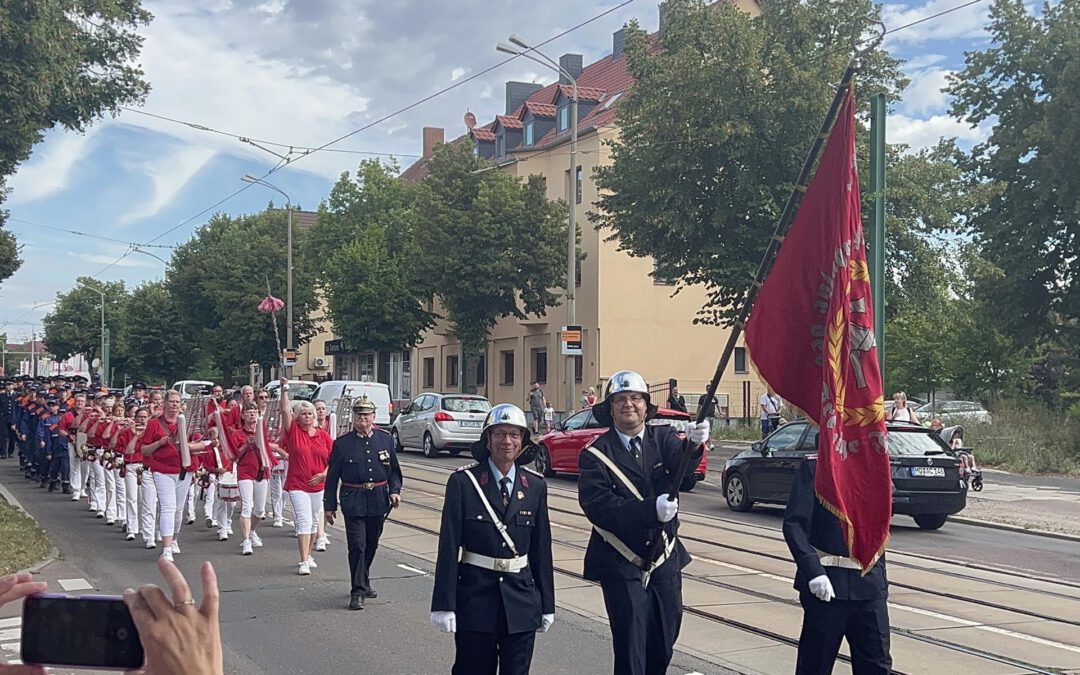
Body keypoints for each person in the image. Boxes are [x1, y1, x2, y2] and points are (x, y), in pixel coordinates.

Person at [578, 370, 708, 675]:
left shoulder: (663, 438)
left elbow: (683, 472)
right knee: (631, 644)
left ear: (646, 405)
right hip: (621, 559)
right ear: (610, 408)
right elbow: (599, 508)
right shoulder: (596, 454)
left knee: (664, 639)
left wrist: (694, 445)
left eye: (635, 398)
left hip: (664, 557)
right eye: (620, 399)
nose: (628, 405)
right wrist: (651, 510)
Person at [431, 403, 555, 675]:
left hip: (521, 599)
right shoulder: (464, 483)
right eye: (499, 434)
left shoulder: (535, 486)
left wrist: (547, 604)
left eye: (514, 434)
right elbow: (448, 546)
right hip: (475, 598)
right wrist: (443, 603)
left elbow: (541, 550)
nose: (506, 441)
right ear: (488, 440)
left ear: (523, 441)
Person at [782, 456, 892, 674]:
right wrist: (813, 571)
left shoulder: (877, 463)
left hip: (869, 585)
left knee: (877, 665)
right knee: (816, 663)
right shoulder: (815, 466)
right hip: (827, 586)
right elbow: (795, 524)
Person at [324, 395, 403, 610]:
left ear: (373, 417)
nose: (363, 419)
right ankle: (357, 591)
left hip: (378, 500)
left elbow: (394, 472)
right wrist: (328, 506)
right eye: (359, 415)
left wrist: (395, 491)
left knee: (371, 544)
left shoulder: (385, 439)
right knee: (357, 546)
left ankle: (364, 580)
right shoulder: (342, 444)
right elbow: (332, 478)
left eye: (366, 415)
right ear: (353, 418)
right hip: (354, 500)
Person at [140, 390, 219, 562]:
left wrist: (190, 446)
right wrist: (158, 443)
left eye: (177, 402)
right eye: (172, 401)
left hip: (185, 470)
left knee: (178, 510)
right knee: (167, 507)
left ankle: (174, 538)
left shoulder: (188, 422)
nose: (175, 405)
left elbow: (200, 443)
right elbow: (144, 449)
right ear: (165, 403)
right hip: (162, 470)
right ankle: (166, 548)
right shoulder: (154, 424)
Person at [278, 378, 333, 576]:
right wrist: (284, 389)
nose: (307, 416)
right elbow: (285, 411)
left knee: (311, 521)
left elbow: (333, 460)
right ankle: (302, 560)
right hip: (297, 484)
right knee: (303, 520)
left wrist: (323, 474)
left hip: (318, 485)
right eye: (304, 414)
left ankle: (308, 555)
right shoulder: (293, 431)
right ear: (298, 417)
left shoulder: (324, 436)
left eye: (310, 413)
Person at [225, 401, 278, 556]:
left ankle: (252, 531)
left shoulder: (262, 431)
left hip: (262, 472)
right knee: (247, 506)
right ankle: (246, 540)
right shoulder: (238, 434)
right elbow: (234, 456)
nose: (252, 414)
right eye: (248, 412)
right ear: (242, 415)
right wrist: (246, 445)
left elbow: (269, 447)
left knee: (260, 510)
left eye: (254, 411)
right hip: (245, 472)